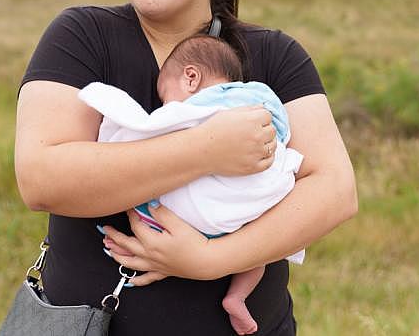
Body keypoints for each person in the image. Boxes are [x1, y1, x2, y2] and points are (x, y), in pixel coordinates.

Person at [14, 0, 357, 335]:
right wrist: (209, 149)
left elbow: (335, 190)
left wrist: (208, 259)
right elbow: (41, 179)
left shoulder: (274, 55)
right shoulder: (82, 36)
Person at [80, 34, 304, 335]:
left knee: (149, 197)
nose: (166, 103)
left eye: (166, 95)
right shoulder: (262, 99)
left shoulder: (206, 104)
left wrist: (116, 127)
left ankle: (152, 243)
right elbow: (283, 138)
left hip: (209, 211)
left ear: (191, 77)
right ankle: (237, 296)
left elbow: (157, 129)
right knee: (259, 253)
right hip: (260, 204)